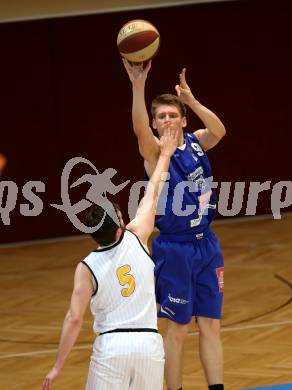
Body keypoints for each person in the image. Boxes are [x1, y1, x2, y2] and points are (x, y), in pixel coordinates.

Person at [42, 127, 179, 390]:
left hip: (112, 348)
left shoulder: (86, 267)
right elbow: (154, 190)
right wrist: (166, 155)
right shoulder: (137, 235)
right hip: (148, 346)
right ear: (119, 225)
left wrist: (57, 366)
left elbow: (74, 318)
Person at [123, 58, 226, 390]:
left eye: (172, 114)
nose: (167, 119)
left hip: (206, 244)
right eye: (161, 116)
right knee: (178, 329)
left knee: (211, 324)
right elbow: (139, 129)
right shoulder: (155, 152)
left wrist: (192, 101)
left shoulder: (196, 141)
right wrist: (138, 86)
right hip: (174, 249)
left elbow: (220, 131)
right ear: (155, 124)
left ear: (182, 119)